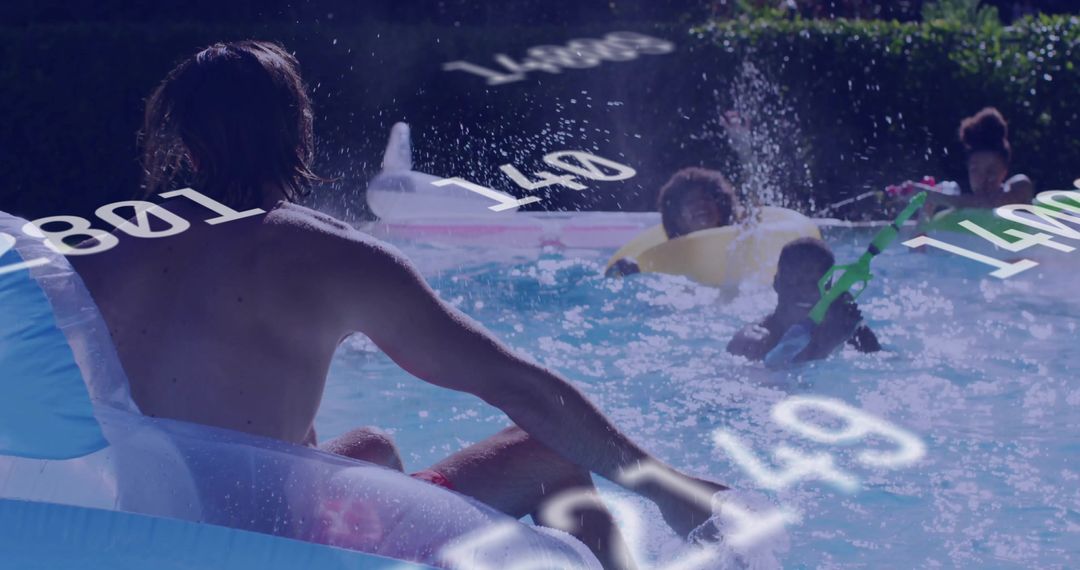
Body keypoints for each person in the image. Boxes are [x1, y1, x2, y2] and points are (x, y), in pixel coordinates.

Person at [68, 41, 724, 570]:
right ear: (296, 135)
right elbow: (521, 389)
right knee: (545, 453)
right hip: (276, 549)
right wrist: (667, 486)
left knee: (374, 447)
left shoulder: (98, 252)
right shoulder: (330, 257)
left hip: (149, 539)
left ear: (185, 145)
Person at [727, 237, 880, 362]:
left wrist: (854, 326)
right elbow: (776, 374)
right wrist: (829, 342)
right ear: (776, 284)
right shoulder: (753, 340)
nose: (804, 291)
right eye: (794, 281)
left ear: (830, 290)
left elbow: (885, 364)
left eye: (815, 283)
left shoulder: (844, 328)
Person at [606, 166, 740, 277]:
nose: (701, 205)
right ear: (677, 218)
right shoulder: (664, 263)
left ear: (721, 208)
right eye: (691, 202)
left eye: (706, 199)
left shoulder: (742, 243)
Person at [920, 107, 1033, 211]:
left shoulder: (1020, 187)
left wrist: (933, 196)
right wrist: (925, 211)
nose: (983, 179)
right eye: (975, 170)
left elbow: (990, 204)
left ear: (1004, 171)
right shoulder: (960, 210)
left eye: (991, 171)